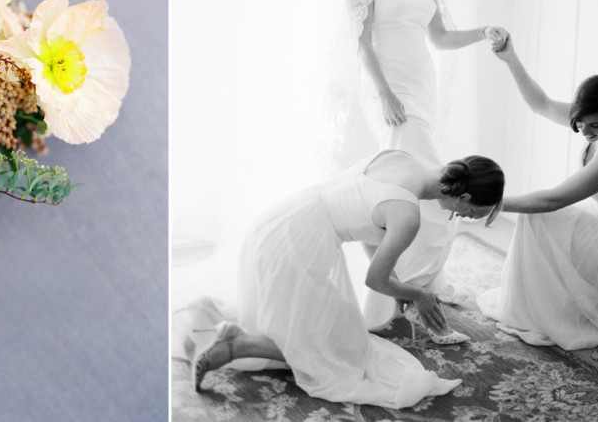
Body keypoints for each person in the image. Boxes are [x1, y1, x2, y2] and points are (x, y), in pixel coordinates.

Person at [191, 150, 504, 408]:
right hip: (296, 245)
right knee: (341, 355)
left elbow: (369, 226)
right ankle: (236, 345)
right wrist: (419, 295)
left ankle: (232, 328)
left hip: (280, 222)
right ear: (463, 197)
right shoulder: (408, 215)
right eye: (470, 213)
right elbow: (374, 279)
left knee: (338, 333)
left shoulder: (401, 159)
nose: (463, 218)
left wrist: (396, 283)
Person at [345, 0, 506, 335]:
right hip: (387, 88)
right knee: (430, 192)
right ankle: (398, 293)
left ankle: (402, 290)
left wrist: (483, 32)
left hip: (422, 87)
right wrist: (385, 94)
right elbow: (361, 41)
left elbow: (440, 37)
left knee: (405, 188)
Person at [477, 36, 598, 350]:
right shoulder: (596, 118)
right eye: (580, 122)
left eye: (596, 126)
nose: (585, 131)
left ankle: (539, 312)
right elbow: (540, 104)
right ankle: (541, 305)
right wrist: (510, 58)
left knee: (536, 215)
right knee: (535, 215)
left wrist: (493, 204)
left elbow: (556, 199)